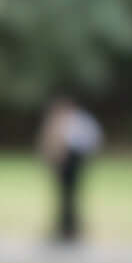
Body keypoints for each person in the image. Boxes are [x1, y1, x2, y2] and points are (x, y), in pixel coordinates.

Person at [36, 96, 103, 242]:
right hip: (63, 163)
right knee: (64, 197)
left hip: (75, 162)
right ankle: (63, 229)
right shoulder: (59, 120)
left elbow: (89, 141)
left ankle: (71, 230)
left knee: (70, 197)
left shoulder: (79, 121)